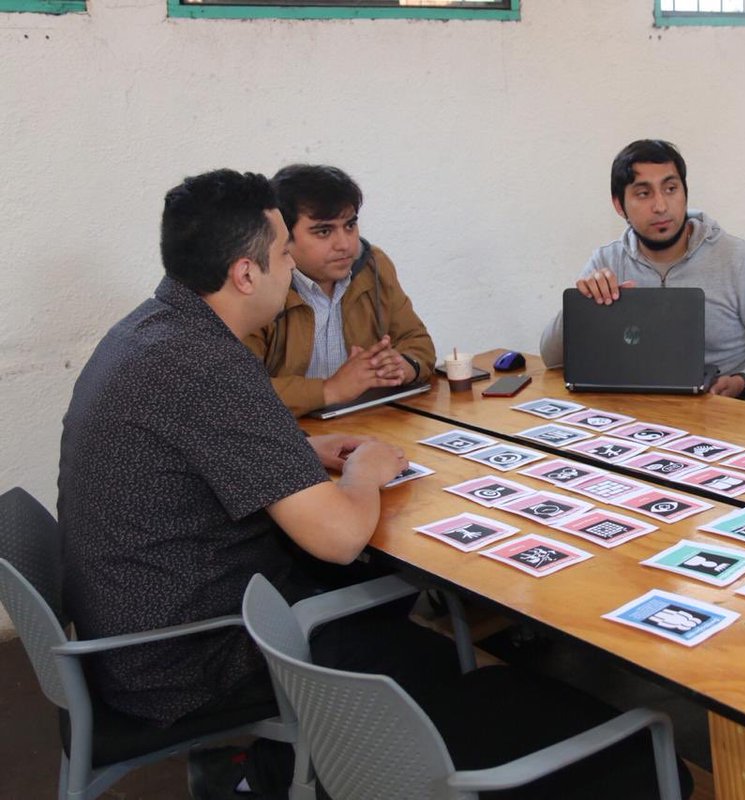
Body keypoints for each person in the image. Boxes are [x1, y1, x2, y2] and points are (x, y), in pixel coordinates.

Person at [58, 170, 456, 796]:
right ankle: (261, 779)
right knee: (427, 654)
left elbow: (198, 449)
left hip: (131, 627)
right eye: (284, 254)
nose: (292, 266)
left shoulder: (156, 329)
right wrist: (364, 471)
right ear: (246, 273)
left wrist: (300, 447)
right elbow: (339, 538)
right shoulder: (210, 365)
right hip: (186, 660)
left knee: (376, 592)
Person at [539, 139, 745, 400]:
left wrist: (744, 381)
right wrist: (583, 303)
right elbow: (551, 359)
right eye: (643, 194)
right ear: (619, 205)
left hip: (721, 410)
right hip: (634, 409)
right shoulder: (608, 260)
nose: (661, 206)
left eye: (670, 189)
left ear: (685, 193)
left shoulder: (738, 258)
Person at [244, 164, 435, 417]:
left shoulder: (372, 265)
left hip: (365, 420)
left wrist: (403, 365)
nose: (345, 244)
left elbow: (417, 341)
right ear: (283, 235)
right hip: (290, 431)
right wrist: (329, 390)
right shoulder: (258, 284)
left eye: (350, 226)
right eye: (324, 231)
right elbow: (241, 392)